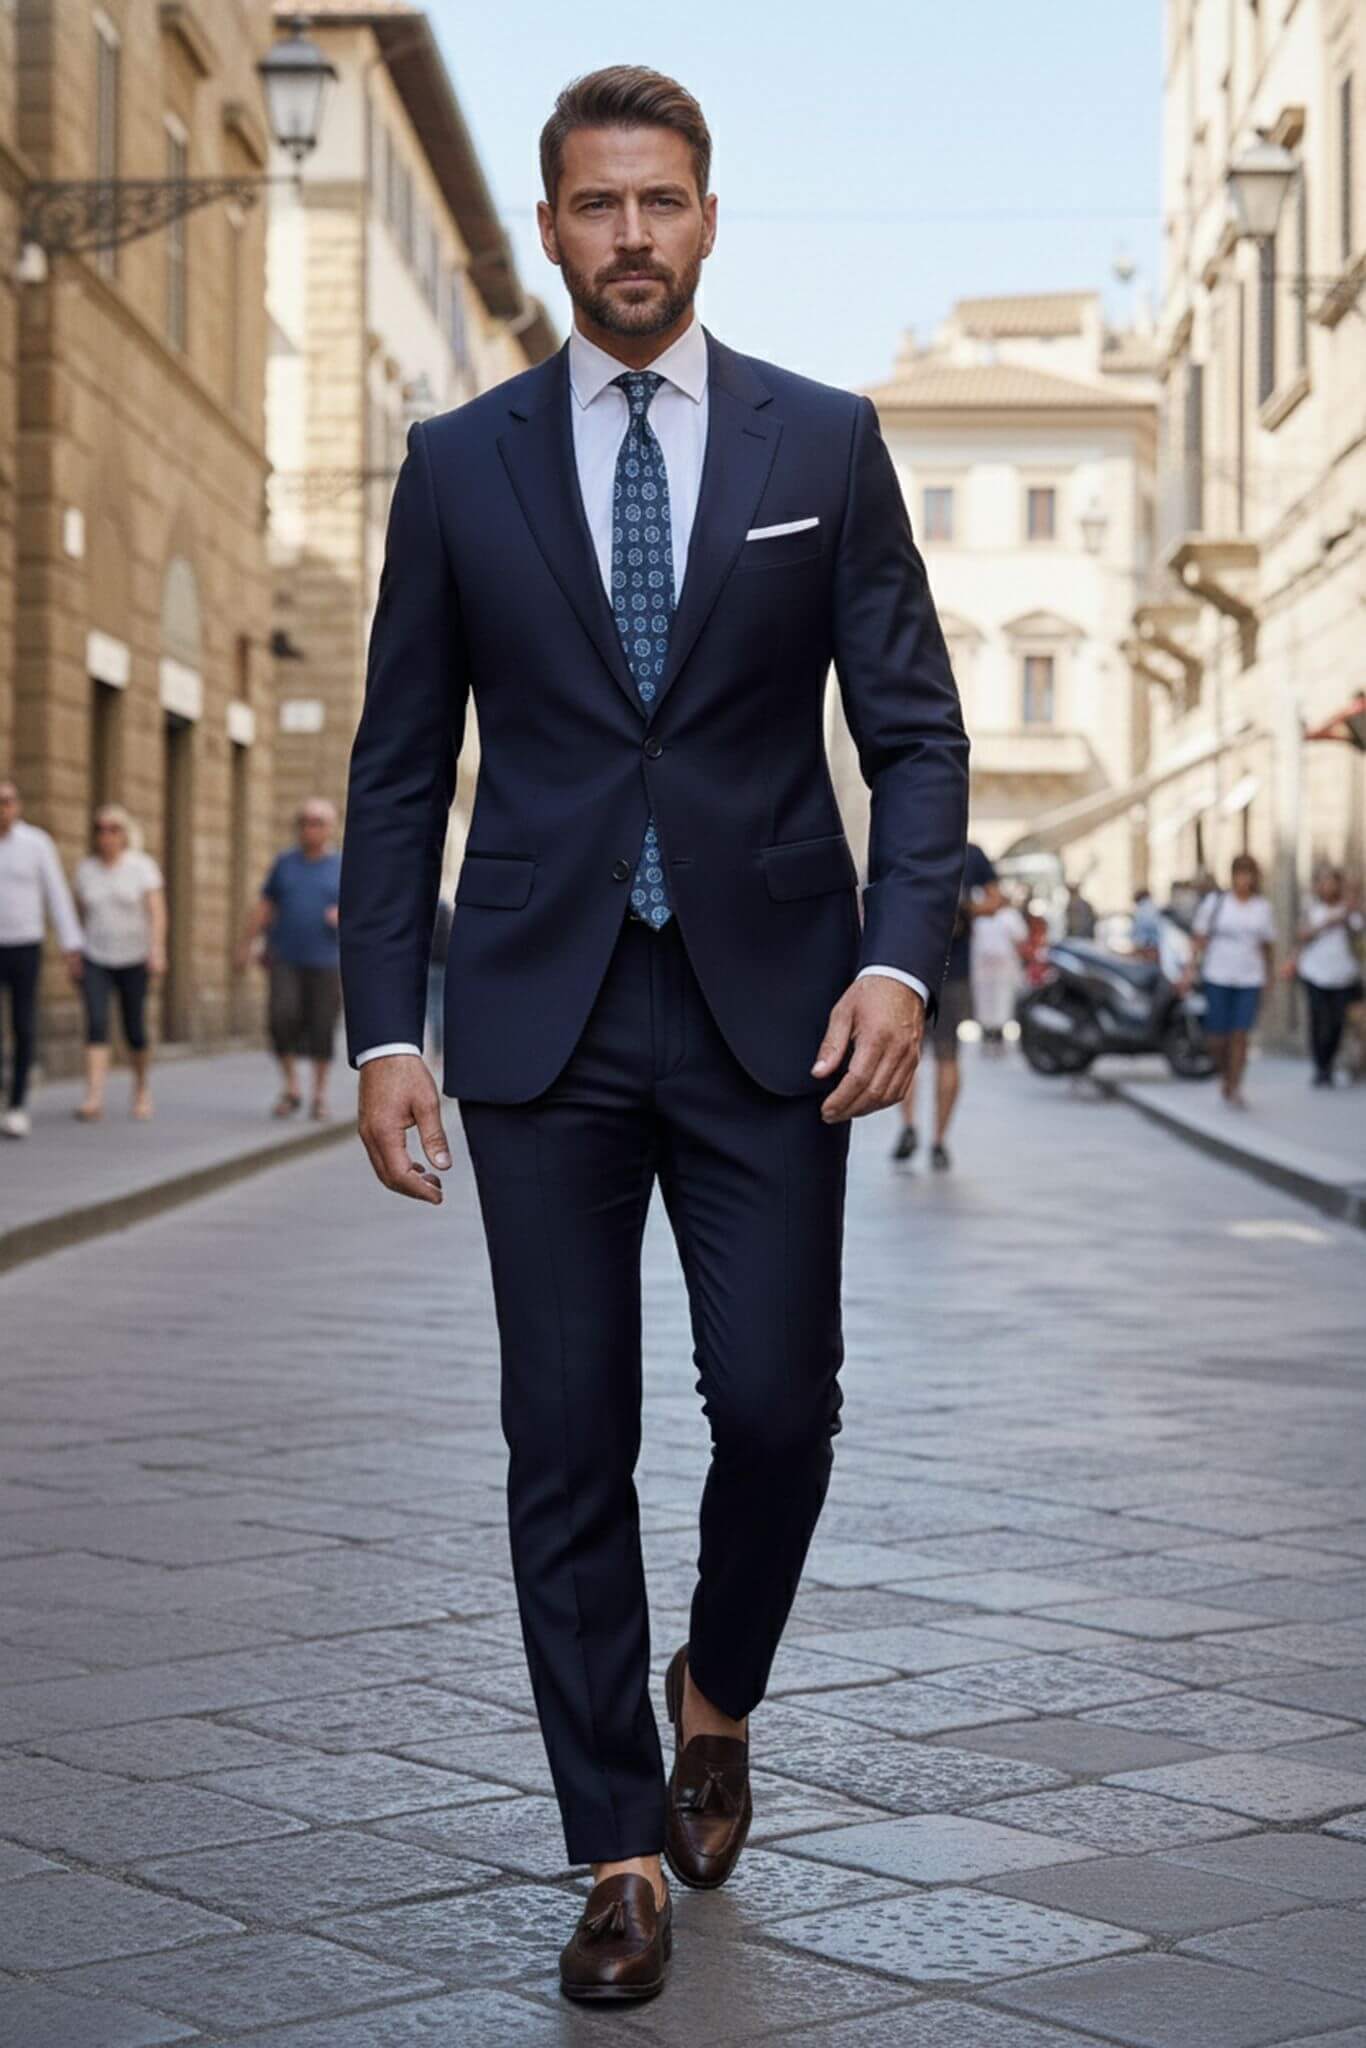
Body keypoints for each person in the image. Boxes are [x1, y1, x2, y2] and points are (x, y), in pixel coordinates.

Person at [340, 67, 967, 2005]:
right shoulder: (456, 464)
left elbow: (915, 732)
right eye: (595, 206)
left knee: (778, 1401)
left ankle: (714, 1686)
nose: (629, 237)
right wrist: (383, 1024)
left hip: (772, 1007)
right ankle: (612, 1840)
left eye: (660, 203)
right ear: (548, 228)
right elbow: (392, 772)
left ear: (708, 217)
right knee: (564, 1431)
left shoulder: (821, 439)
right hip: (536, 1010)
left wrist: (900, 958)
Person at [891, 842, 994, 1171]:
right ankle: (937, 1140)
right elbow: (995, 900)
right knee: (946, 1056)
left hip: (908, 965)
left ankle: (912, 1128)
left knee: (910, 1052)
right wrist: (963, 909)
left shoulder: (904, 843)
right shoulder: (970, 853)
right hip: (943, 970)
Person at [238, 800, 342, 1121]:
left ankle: (320, 1094)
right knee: (281, 1018)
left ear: (330, 828)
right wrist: (246, 944)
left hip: (327, 960)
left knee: (322, 1026)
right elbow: (265, 905)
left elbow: (366, 911)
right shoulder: (285, 863)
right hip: (285, 957)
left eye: (317, 822)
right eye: (305, 821)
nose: (310, 828)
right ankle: (292, 1087)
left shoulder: (342, 865)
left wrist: (344, 915)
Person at [0, 778, 83, 1139]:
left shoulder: (36, 844)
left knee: (23, 1025)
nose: (3, 808)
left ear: (17, 805)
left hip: (25, 945)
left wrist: (71, 945)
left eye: (8, 801)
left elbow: (57, 894)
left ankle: (17, 1105)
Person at [72, 806, 166, 1123]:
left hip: (134, 957)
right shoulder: (86, 870)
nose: (107, 836)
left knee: (134, 1029)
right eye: (101, 829)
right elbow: (79, 915)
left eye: (114, 829)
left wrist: (156, 949)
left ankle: (141, 1088)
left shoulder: (142, 868)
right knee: (96, 1022)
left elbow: (156, 911)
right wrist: (75, 953)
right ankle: (94, 1096)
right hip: (96, 955)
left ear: (125, 834)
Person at [1186, 853, 1276, 1107]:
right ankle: (1224, 1075)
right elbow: (1199, 940)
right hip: (1218, 976)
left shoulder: (1262, 908)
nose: (1244, 879)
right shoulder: (1217, 904)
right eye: (1240, 873)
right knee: (1217, 1038)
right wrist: (1188, 971)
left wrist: (1269, 978)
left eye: (1249, 873)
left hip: (1249, 978)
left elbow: (1268, 946)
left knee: (1240, 1035)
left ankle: (1236, 1084)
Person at [1284, 866, 1363, 1087]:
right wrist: (1327, 923)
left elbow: (1358, 936)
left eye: (1332, 882)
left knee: (1337, 1022)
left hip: (1343, 975)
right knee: (1319, 1020)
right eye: (1324, 882)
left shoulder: (1349, 910)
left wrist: (1348, 915)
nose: (1329, 886)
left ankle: (1328, 1063)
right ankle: (1320, 1067)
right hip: (1314, 973)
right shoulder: (1312, 909)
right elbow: (1301, 934)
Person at [971, 891, 1027, 1052]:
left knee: (1001, 1002)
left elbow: (1020, 938)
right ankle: (988, 1036)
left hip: (1003, 968)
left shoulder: (1009, 916)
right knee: (986, 1002)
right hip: (984, 967)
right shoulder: (980, 916)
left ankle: (997, 1037)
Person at [1131, 888, 1163, 961]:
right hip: (1157, 948)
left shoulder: (1142, 910)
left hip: (1149, 949)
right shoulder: (1155, 907)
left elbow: (1140, 936)